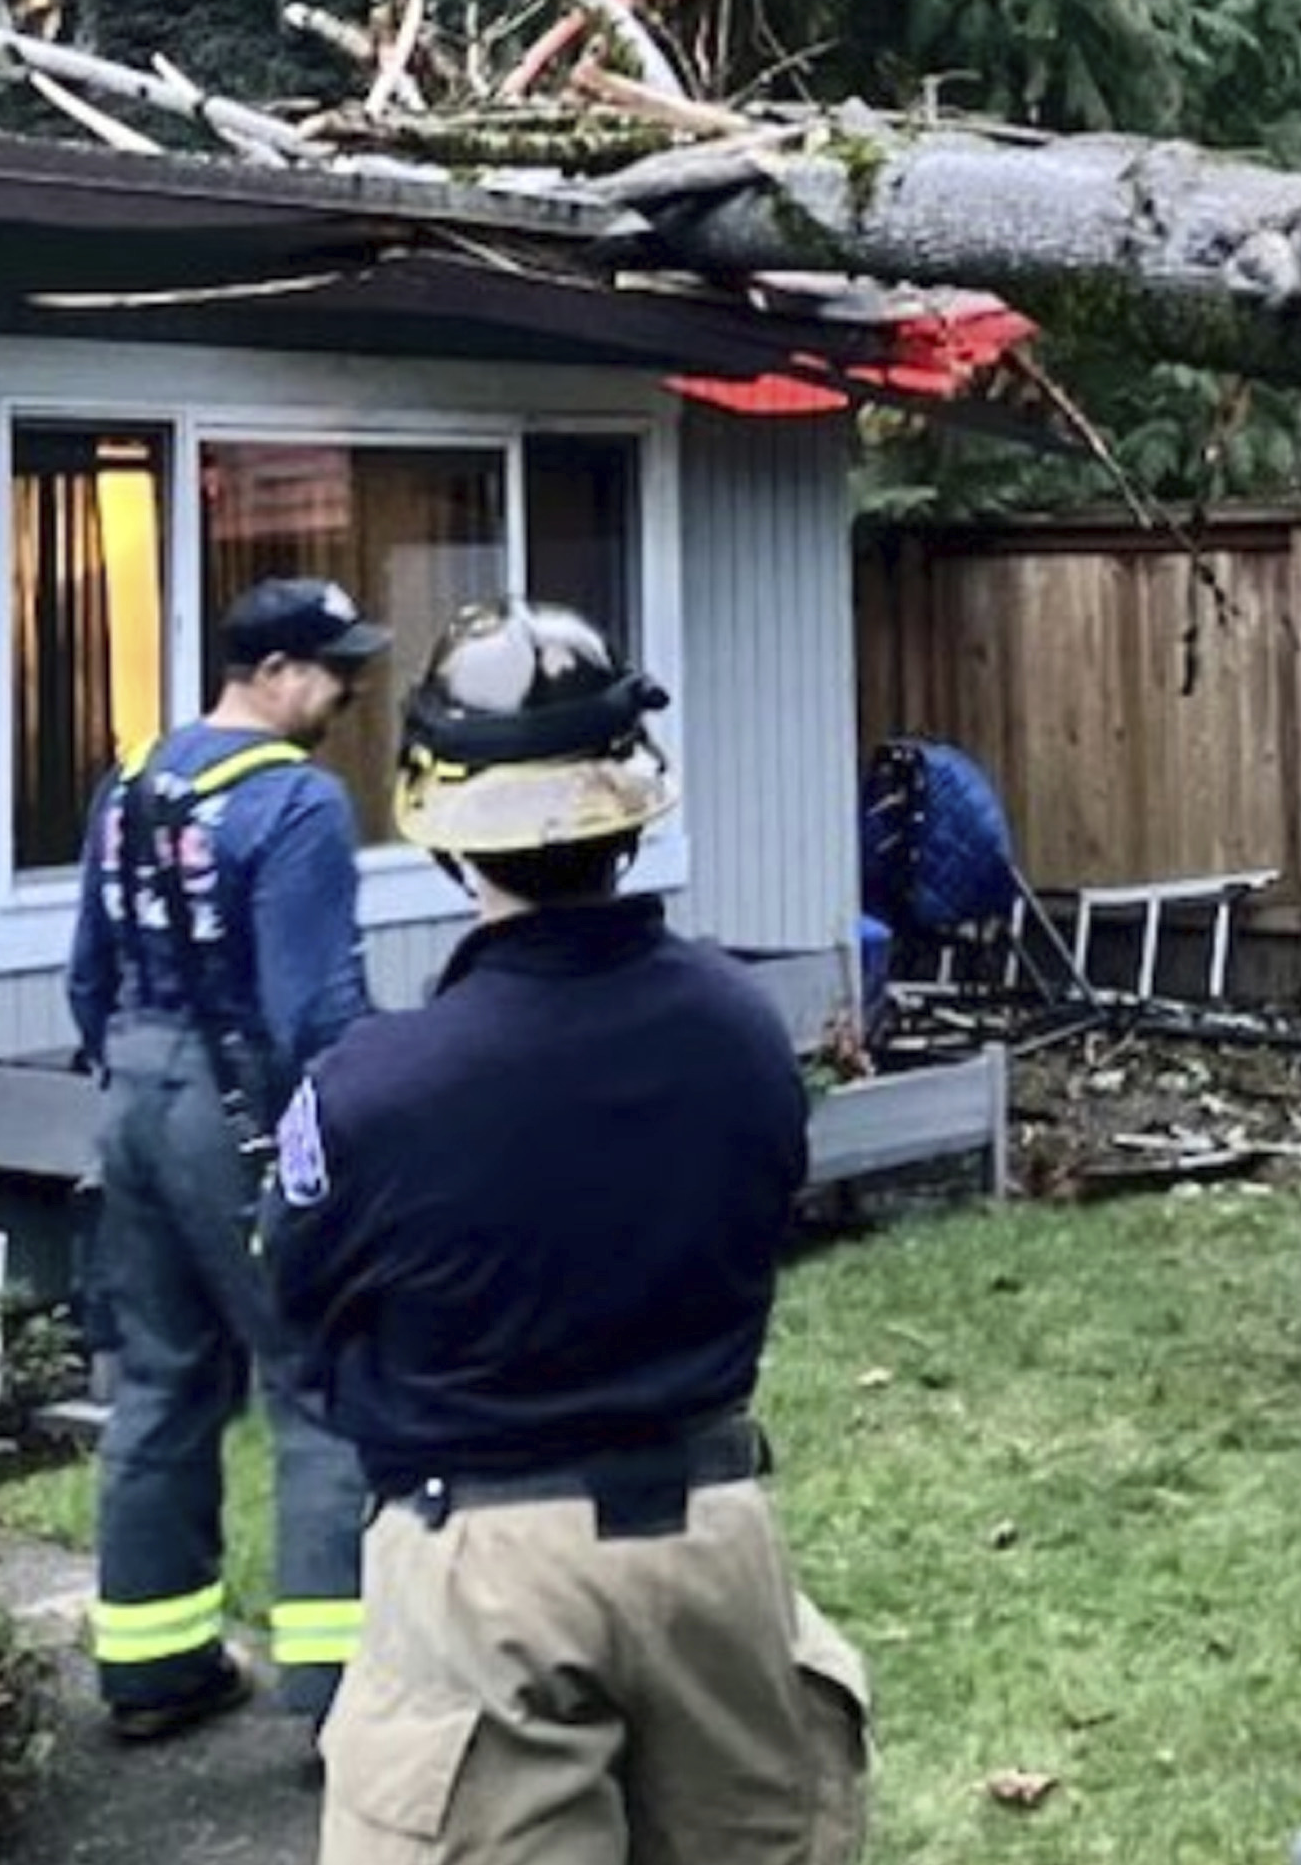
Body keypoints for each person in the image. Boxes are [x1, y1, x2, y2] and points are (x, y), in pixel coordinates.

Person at [265, 596, 871, 1865]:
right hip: (713, 1543)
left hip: (480, 1569)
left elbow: (307, 1317)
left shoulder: (376, 1090)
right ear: (629, 811)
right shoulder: (745, 1033)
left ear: (438, 829)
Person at [64, 577, 387, 1744]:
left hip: (134, 1093)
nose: (350, 689)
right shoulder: (298, 805)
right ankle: (340, 1697)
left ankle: (152, 1671)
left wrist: (137, 1078)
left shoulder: (130, 782)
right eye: (336, 669)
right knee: (319, 1381)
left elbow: (87, 974)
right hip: (243, 1103)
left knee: (158, 1380)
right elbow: (315, 1010)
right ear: (273, 673)